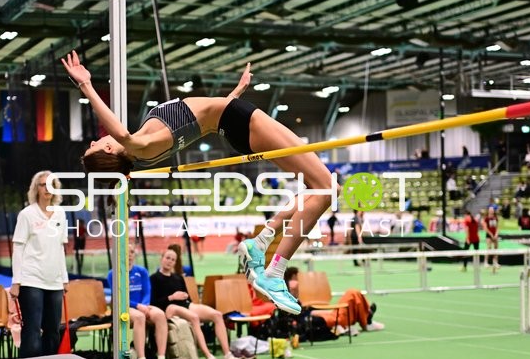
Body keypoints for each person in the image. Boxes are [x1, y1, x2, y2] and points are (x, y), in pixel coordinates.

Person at [63, 52, 336, 315]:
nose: (93, 141)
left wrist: (234, 94)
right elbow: (121, 133)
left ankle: (261, 242)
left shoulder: (145, 141)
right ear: (109, 151)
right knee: (327, 188)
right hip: (240, 120)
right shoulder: (142, 146)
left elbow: (202, 118)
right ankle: (274, 272)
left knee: (318, 189)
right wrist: (85, 84)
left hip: (233, 122)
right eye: (94, 147)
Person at [10, 171, 69, 359]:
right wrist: (16, 282)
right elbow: (18, 248)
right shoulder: (26, 214)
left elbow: (60, 248)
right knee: (33, 331)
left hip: (55, 281)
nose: (47, 188)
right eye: (43, 184)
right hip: (31, 280)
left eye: (51, 184)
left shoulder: (61, 213)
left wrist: (64, 279)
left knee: (53, 331)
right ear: (36, 188)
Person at [149, 248, 239, 359]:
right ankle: (209, 357)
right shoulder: (154, 278)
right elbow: (153, 302)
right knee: (194, 318)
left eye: (173, 260)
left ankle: (227, 354)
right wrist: (171, 297)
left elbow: (188, 298)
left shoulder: (178, 278)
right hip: (169, 307)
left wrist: (185, 297)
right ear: (162, 258)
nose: (169, 261)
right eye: (167, 258)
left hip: (185, 305)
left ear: (175, 262)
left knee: (217, 315)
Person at [111, 244, 168, 359]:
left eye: (132, 252)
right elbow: (119, 296)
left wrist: (144, 305)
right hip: (124, 307)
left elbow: (147, 291)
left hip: (142, 305)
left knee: (160, 314)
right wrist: (138, 306)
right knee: (139, 317)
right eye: (126, 252)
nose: (129, 254)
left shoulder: (142, 271)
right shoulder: (114, 273)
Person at [285, 267, 383, 334]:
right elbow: (306, 314)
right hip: (321, 317)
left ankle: (367, 320)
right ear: (293, 278)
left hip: (323, 313)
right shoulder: (290, 293)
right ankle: (367, 321)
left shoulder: (299, 297)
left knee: (353, 296)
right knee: (352, 294)